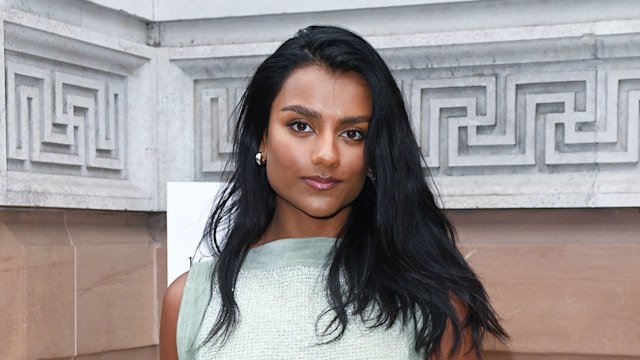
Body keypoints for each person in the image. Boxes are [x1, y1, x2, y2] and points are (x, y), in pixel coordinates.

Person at [160, 25, 508, 359]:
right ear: (262, 138)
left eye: (353, 133)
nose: (326, 154)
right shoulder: (191, 301)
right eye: (301, 126)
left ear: (374, 155)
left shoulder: (431, 305)